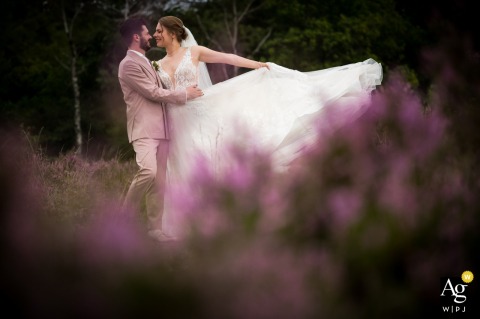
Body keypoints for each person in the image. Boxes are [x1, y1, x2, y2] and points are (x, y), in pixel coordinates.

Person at [152, 16, 383, 237]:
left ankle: (215, 218)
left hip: (198, 114)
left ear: (173, 32)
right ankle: (186, 222)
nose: (155, 35)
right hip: (176, 122)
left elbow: (227, 58)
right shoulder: (157, 64)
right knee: (182, 167)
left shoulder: (194, 52)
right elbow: (156, 93)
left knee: (206, 159)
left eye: (159, 30)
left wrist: (256, 64)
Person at [118, 17, 203, 242]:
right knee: (148, 171)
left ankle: (154, 229)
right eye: (147, 33)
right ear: (136, 37)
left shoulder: (146, 61)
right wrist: (185, 94)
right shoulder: (128, 65)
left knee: (159, 182)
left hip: (163, 129)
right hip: (145, 129)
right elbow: (152, 93)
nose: (150, 37)